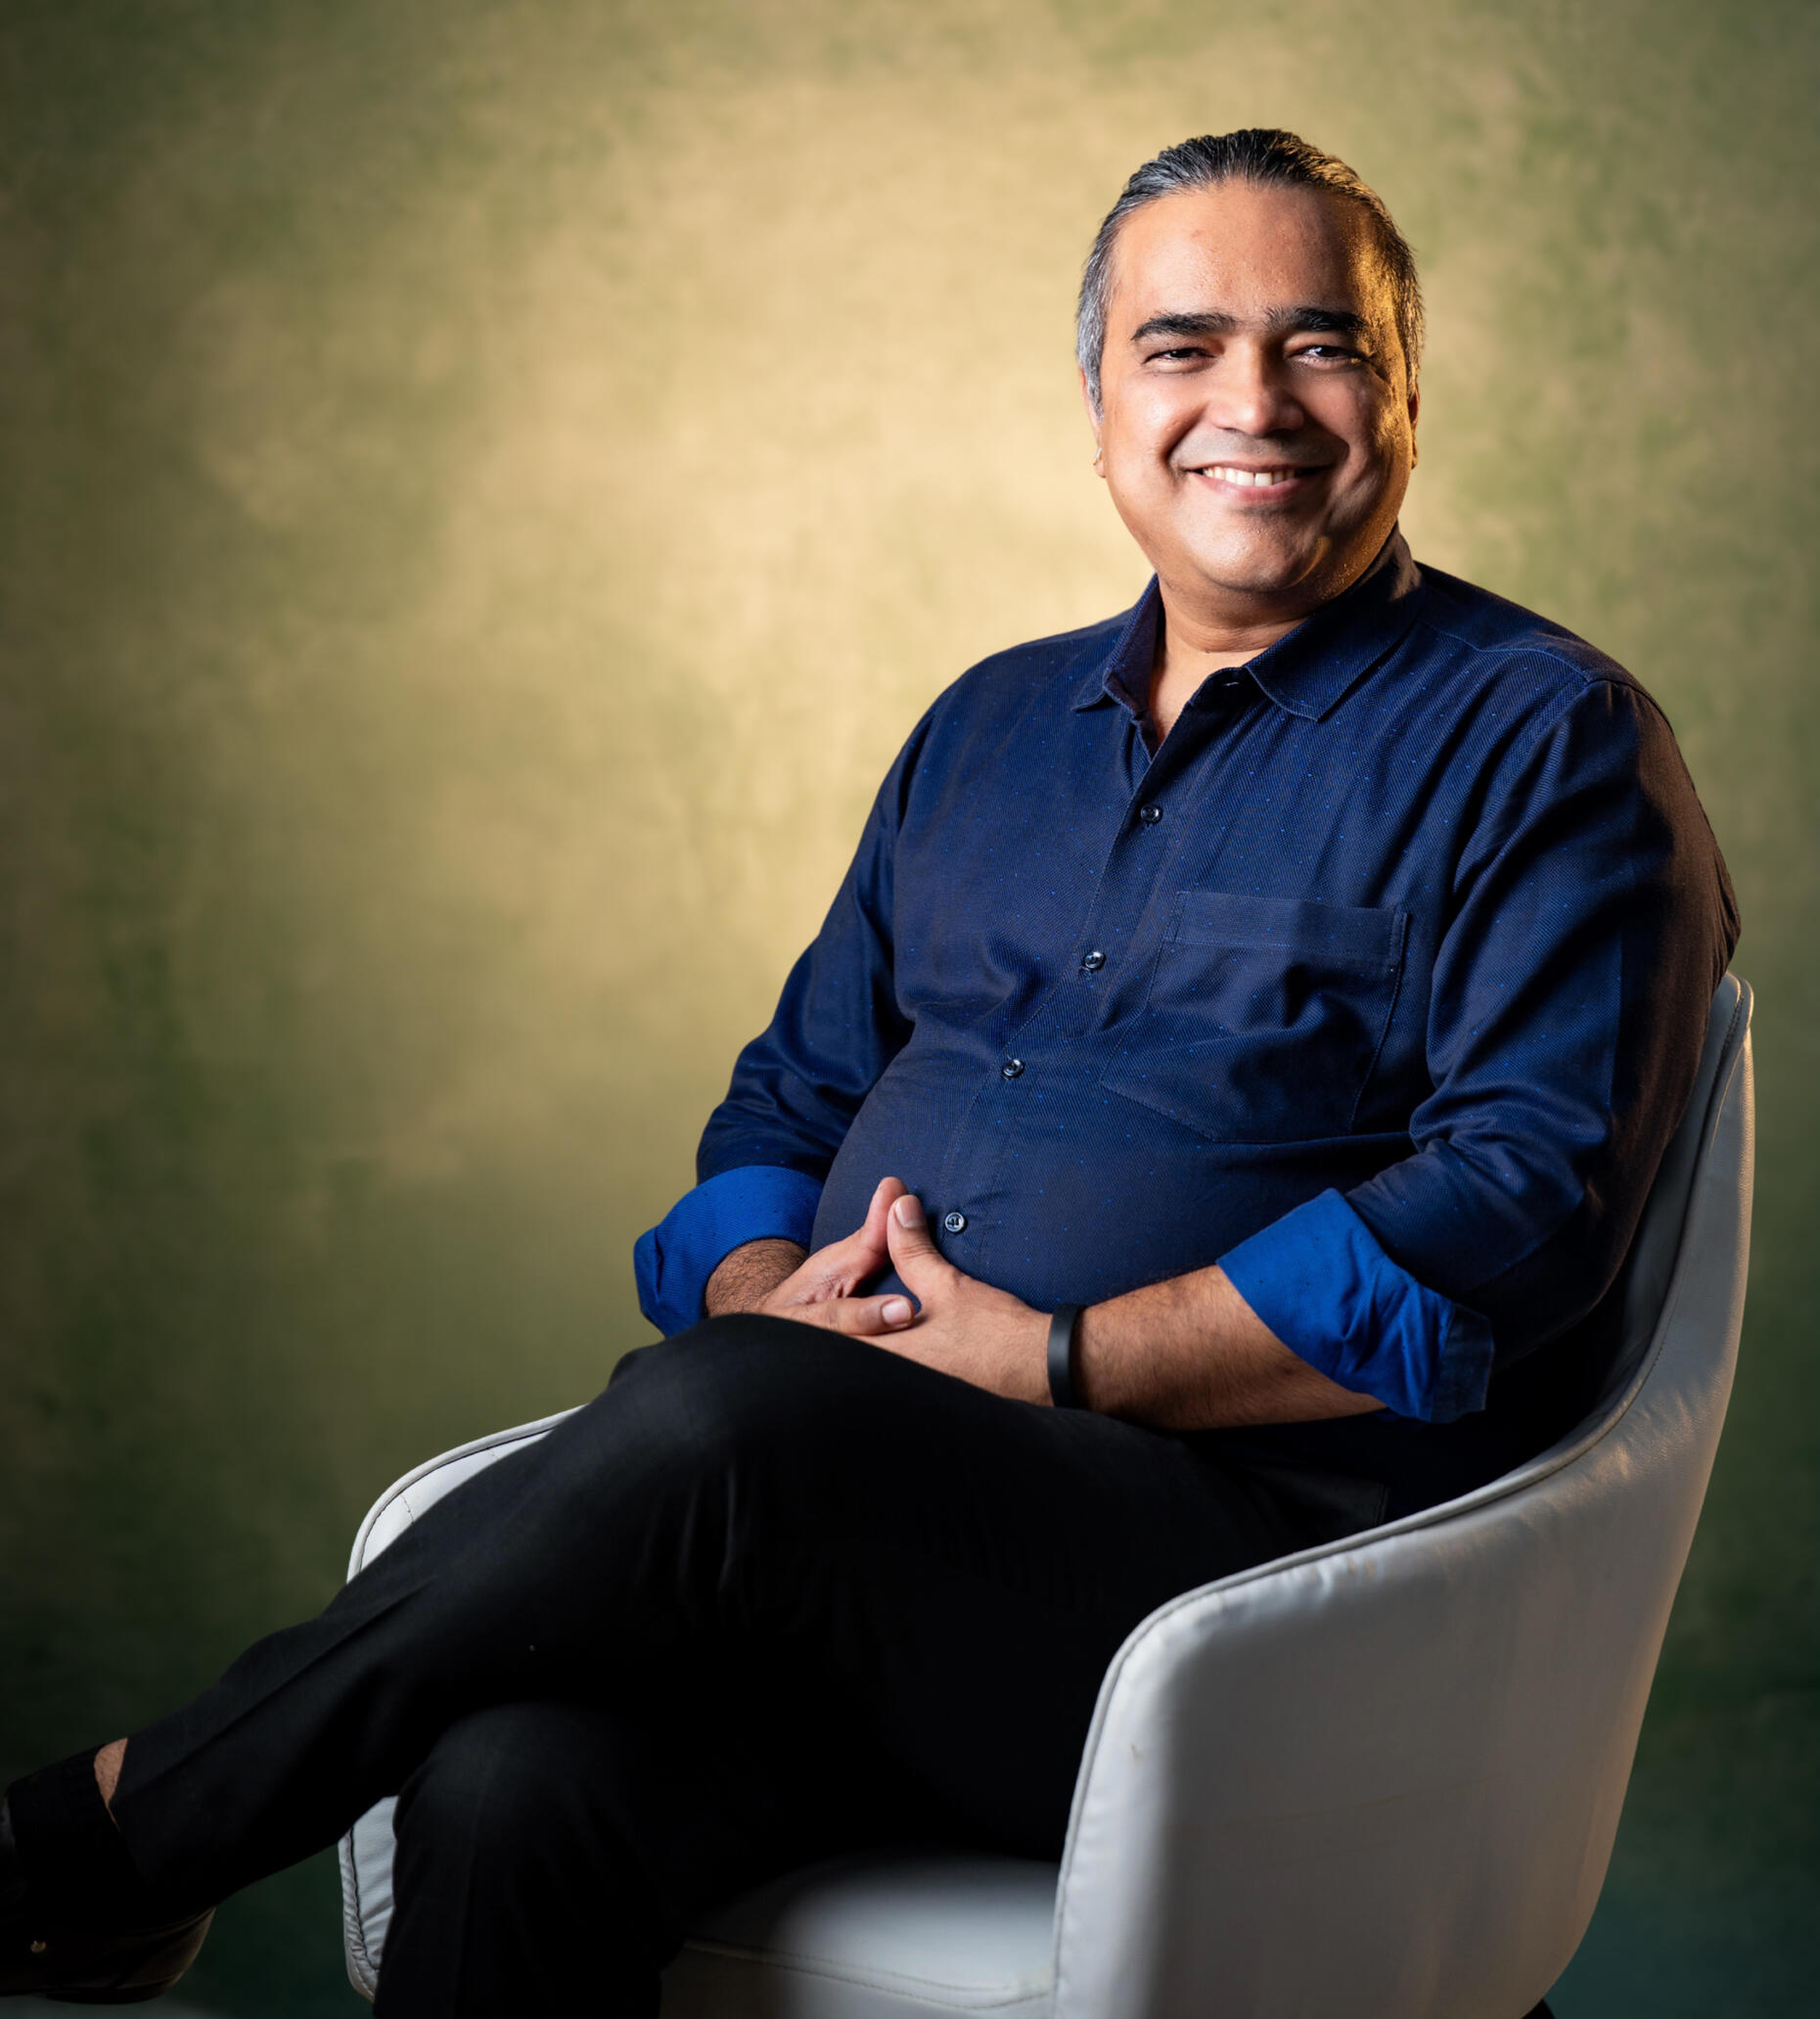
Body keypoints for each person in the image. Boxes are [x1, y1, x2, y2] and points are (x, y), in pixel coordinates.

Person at [1, 129, 1736, 2014]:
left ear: (1404, 396)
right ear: (1100, 413)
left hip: (1259, 1605)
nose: (1253, 403)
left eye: (1321, 346)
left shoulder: (1552, 743)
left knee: (729, 1422)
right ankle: (128, 1857)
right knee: (512, 1786)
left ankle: (106, 1843)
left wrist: (1054, 1358)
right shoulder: (985, 729)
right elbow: (782, 1104)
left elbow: (1520, 1211)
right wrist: (772, 1292)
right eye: (1181, 349)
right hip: (866, 1567)